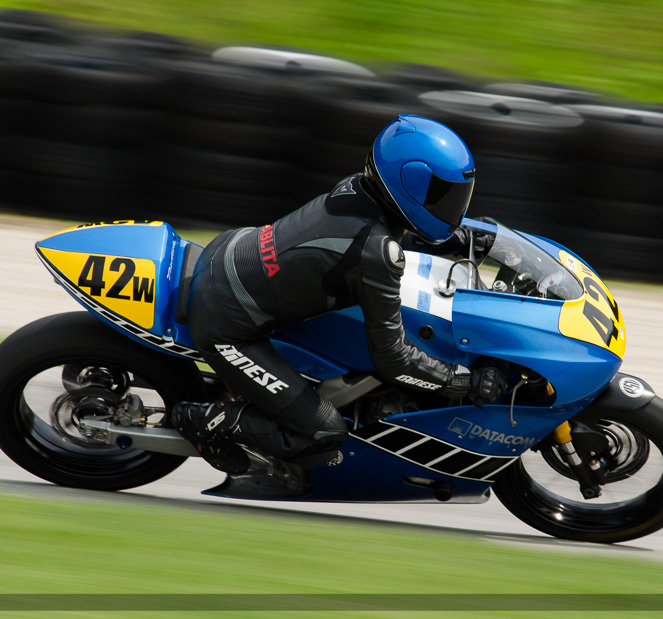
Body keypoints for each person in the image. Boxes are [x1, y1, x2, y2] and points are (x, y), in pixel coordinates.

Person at [170, 115, 508, 475]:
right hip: (226, 323)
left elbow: (379, 234)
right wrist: (460, 380)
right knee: (323, 431)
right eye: (443, 195)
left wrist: (458, 240)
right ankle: (206, 419)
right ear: (409, 182)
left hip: (228, 252)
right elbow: (393, 360)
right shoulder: (378, 254)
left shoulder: (357, 188)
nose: (454, 206)